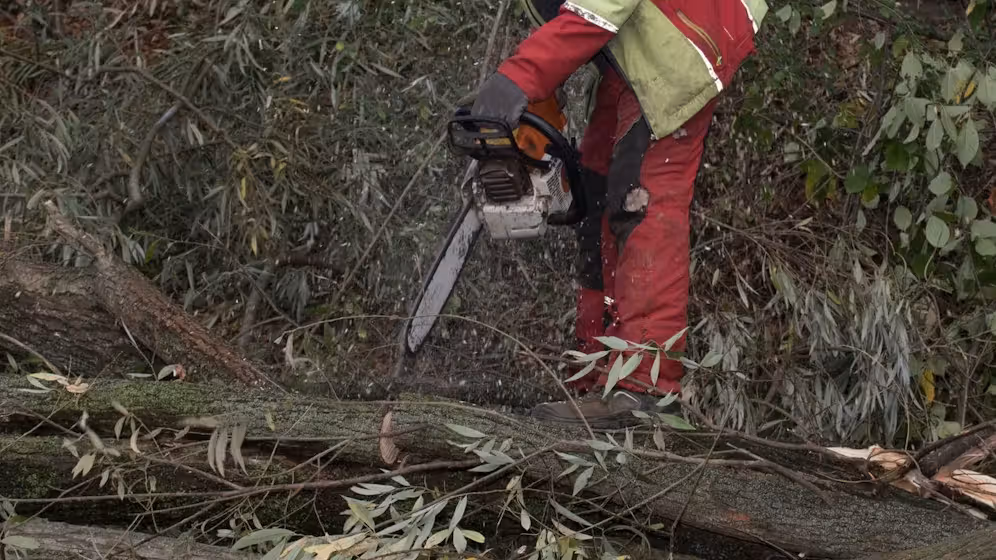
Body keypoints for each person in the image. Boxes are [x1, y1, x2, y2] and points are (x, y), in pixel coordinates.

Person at [472, 0, 768, 429]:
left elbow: (602, 5)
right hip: (639, 45)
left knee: (641, 197)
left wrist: (520, 78)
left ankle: (645, 387)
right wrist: (533, 96)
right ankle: (596, 372)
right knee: (595, 190)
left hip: (685, 32)